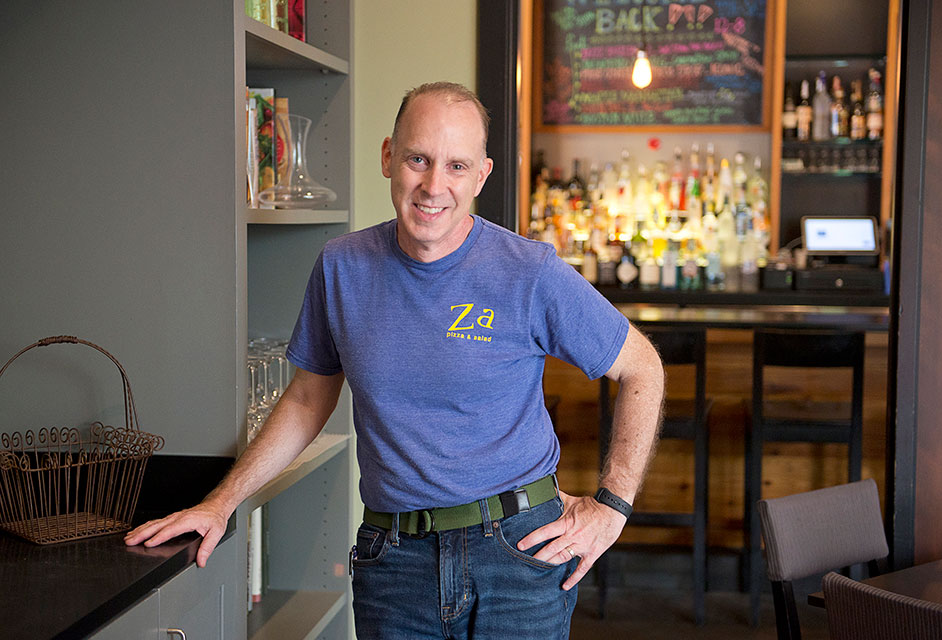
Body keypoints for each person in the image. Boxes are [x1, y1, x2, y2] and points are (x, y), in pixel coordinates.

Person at [125, 81, 664, 639]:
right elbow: (309, 398)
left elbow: (642, 367)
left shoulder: (529, 271)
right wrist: (220, 504)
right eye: (418, 159)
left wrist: (612, 507)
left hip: (519, 555)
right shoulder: (341, 266)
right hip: (394, 562)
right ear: (388, 157)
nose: (434, 186)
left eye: (457, 167)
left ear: (482, 175)